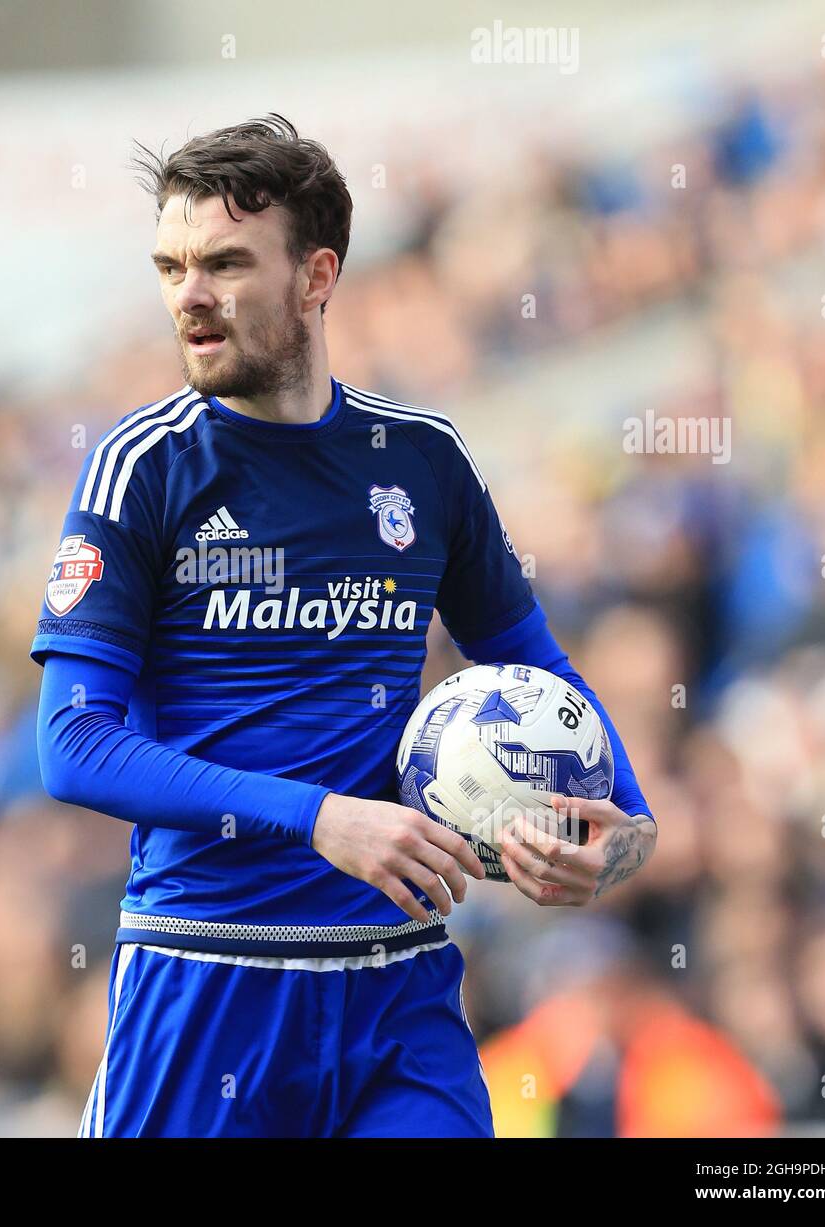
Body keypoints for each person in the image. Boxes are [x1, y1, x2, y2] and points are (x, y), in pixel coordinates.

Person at [32, 115, 656, 1138]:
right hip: (205, 976)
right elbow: (72, 748)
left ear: (316, 278)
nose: (189, 295)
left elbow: (527, 658)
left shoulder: (421, 460)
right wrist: (324, 818)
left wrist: (624, 828)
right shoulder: (143, 470)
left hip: (394, 988)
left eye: (226, 264)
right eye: (171, 267)